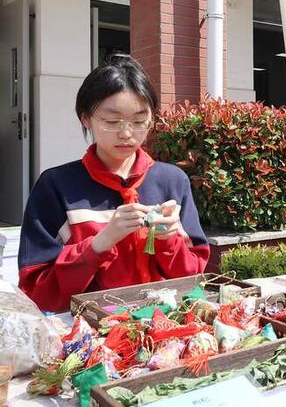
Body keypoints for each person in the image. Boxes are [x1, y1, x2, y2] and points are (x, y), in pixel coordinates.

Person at [18, 55, 210, 312]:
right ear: (86, 118)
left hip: (166, 328)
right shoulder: (56, 186)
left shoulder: (172, 181)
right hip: (88, 337)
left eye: (140, 120)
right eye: (112, 121)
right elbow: (37, 290)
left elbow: (195, 277)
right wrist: (100, 243)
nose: (127, 133)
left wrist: (169, 241)